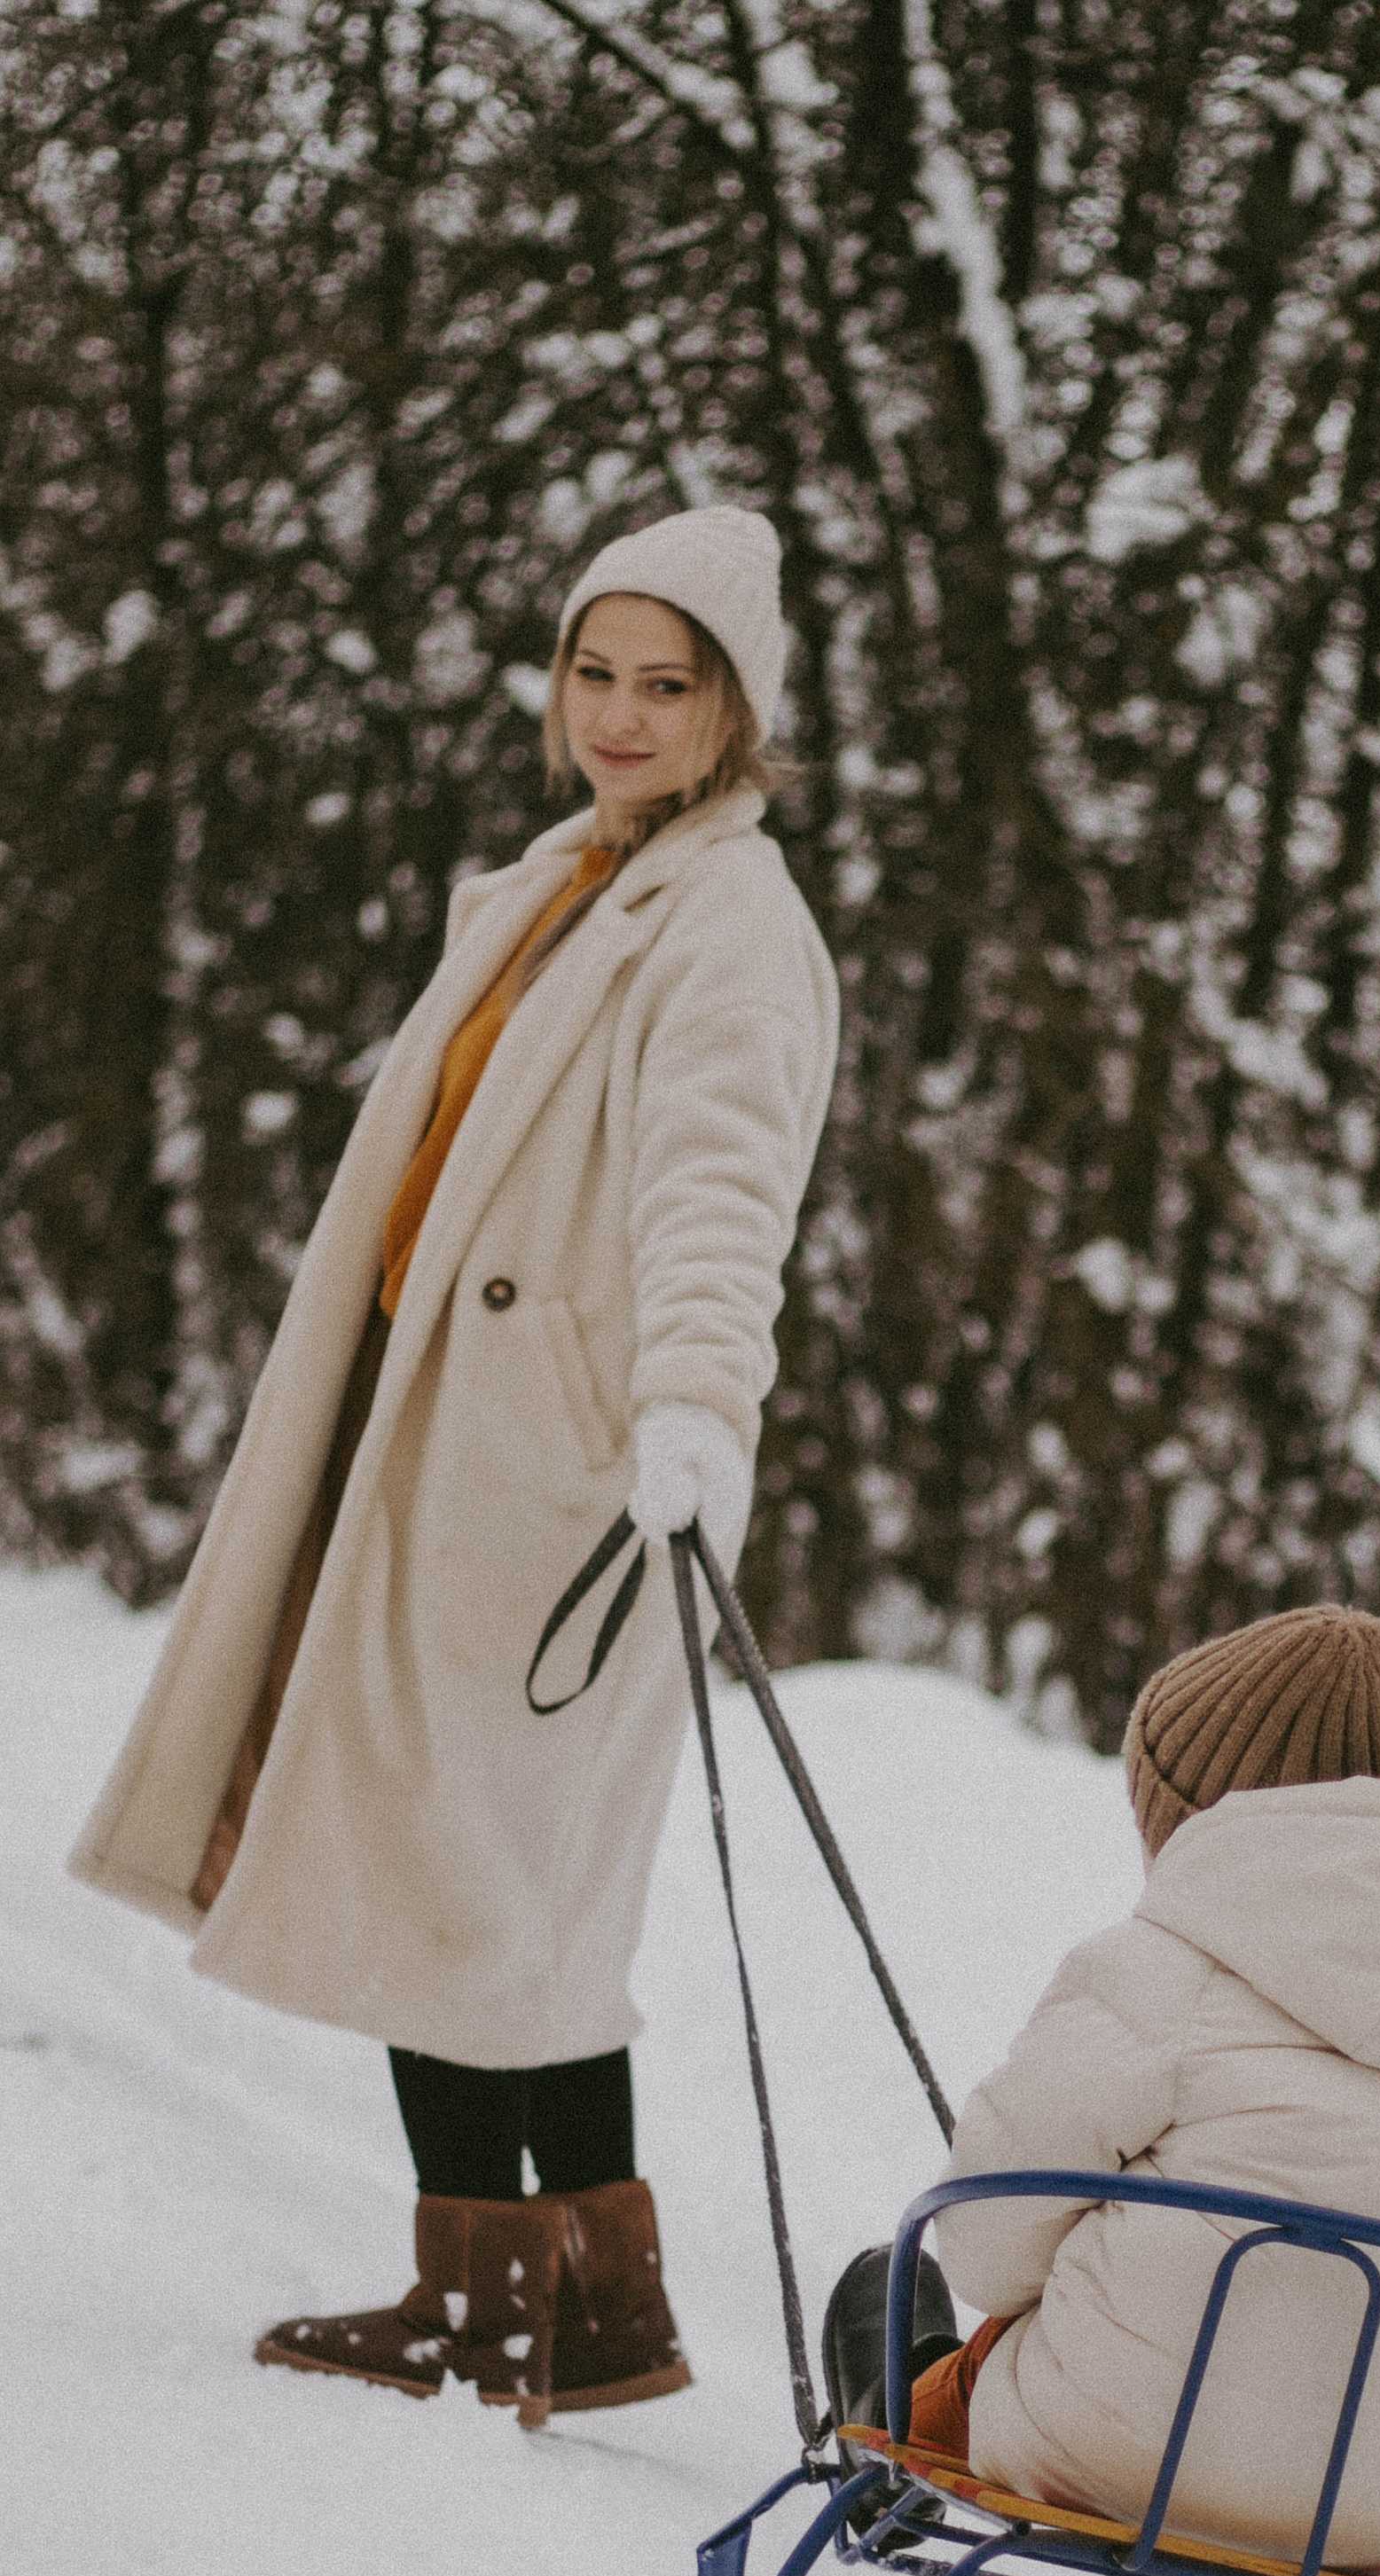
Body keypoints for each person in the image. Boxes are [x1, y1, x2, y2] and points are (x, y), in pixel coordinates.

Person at [70, 507, 839, 2427]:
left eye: (670, 686)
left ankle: (501, 2300)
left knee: (467, 1870)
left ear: (737, 709)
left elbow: (716, 1195)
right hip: (453, 1428)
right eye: (597, 671)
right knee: (510, 1890)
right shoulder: (575, 876)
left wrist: (687, 1413)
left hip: (555, 1470)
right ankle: (582, 2304)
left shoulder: (728, 921)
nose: (622, 715)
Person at [822, 1605, 1380, 2576]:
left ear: (1189, 1818)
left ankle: (892, 2423)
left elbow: (987, 2247)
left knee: (946, 2315)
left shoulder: (1155, 1972)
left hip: (1130, 2449)